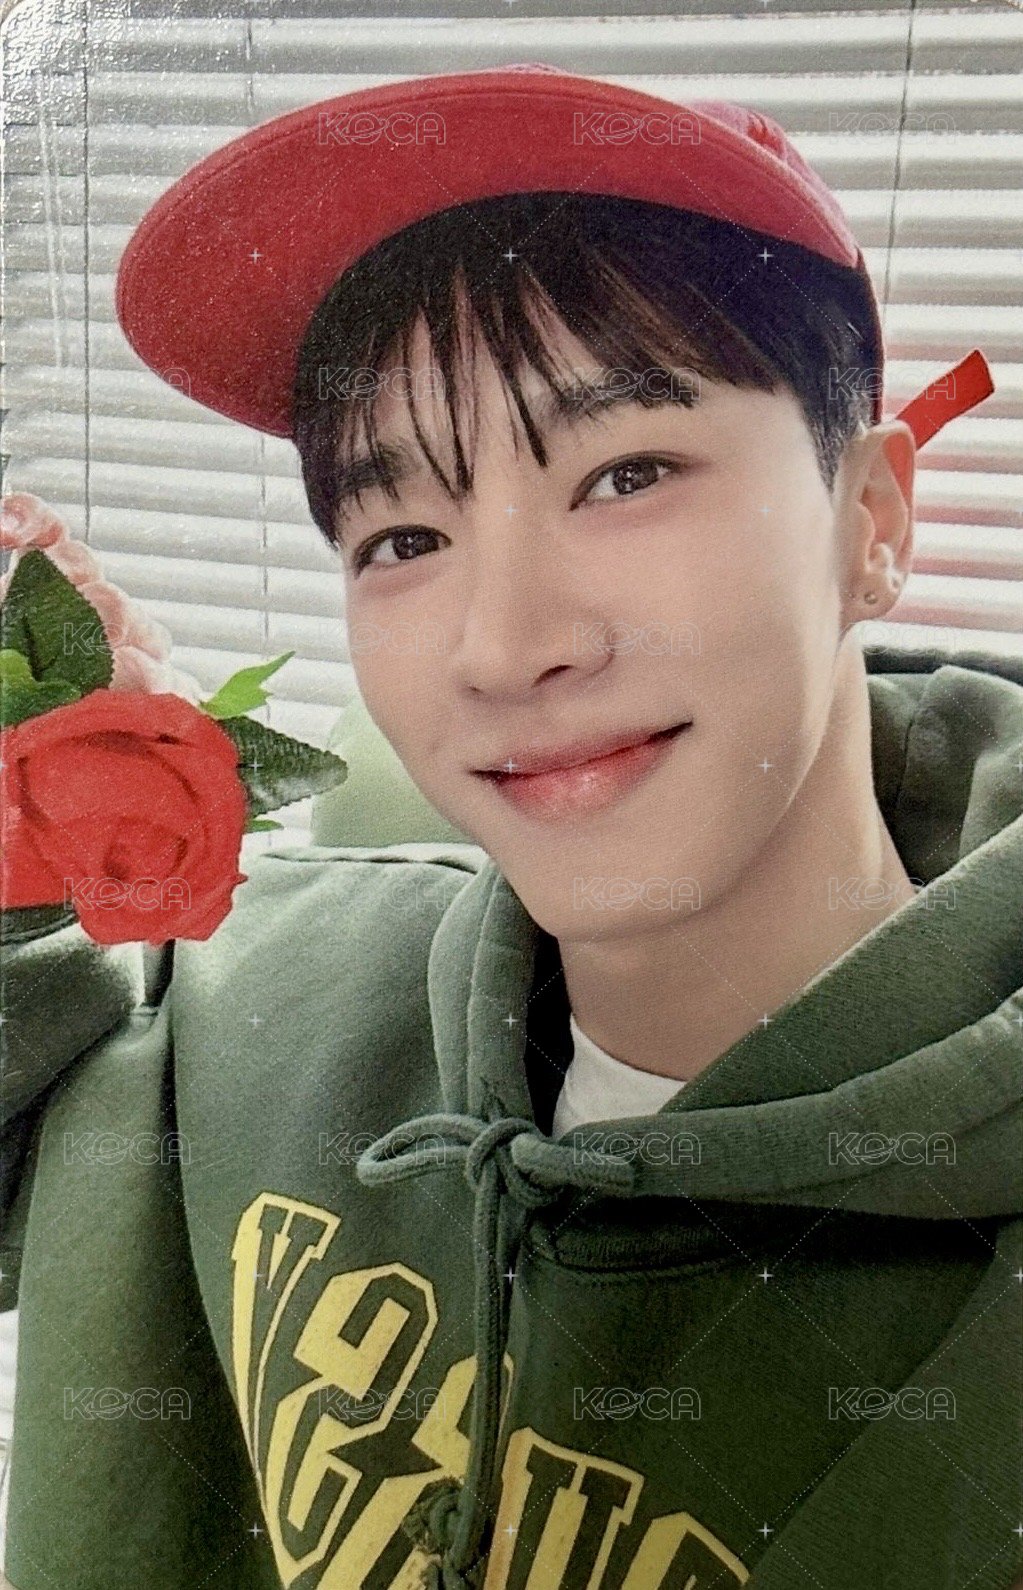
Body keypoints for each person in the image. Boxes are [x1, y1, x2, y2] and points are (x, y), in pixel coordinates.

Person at [2, 65, 1021, 1590]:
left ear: (871, 521)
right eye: (403, 535)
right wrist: (41, 811)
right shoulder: (231, 1015)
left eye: (626, 473)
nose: (503, 645)